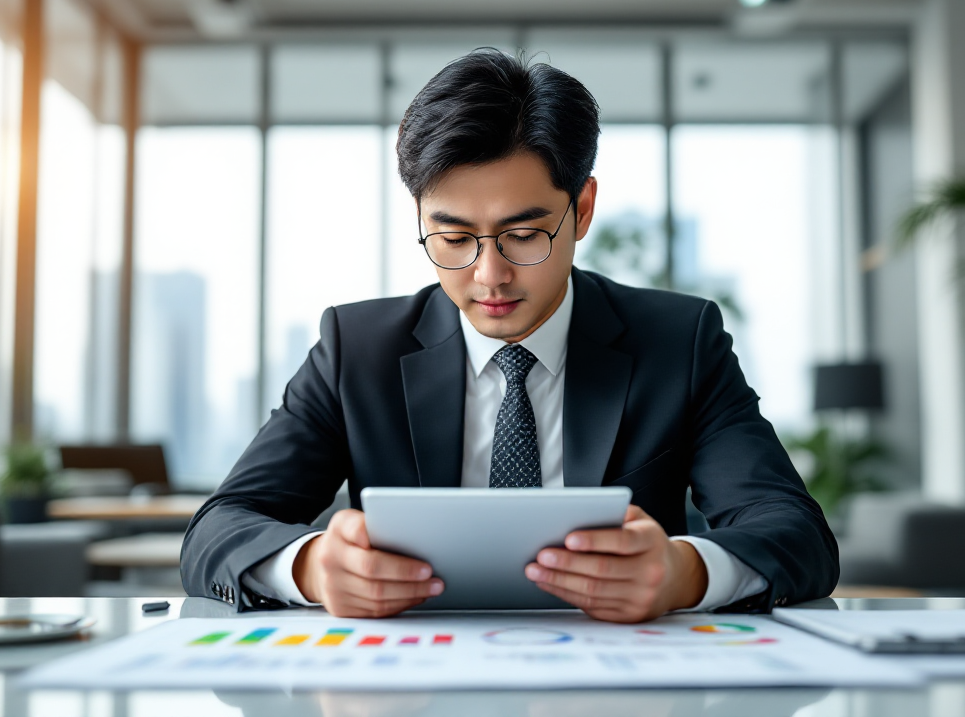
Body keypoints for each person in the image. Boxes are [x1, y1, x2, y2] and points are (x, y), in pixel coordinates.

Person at [181, 49, 838, 622]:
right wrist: (310, 566)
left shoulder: (679, 342)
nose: (489, 275)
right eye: (453, 237)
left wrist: (683, 573)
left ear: (582, 209)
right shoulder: (357, 350)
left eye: (523, 235)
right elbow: (219, 528)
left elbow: (795, 531)